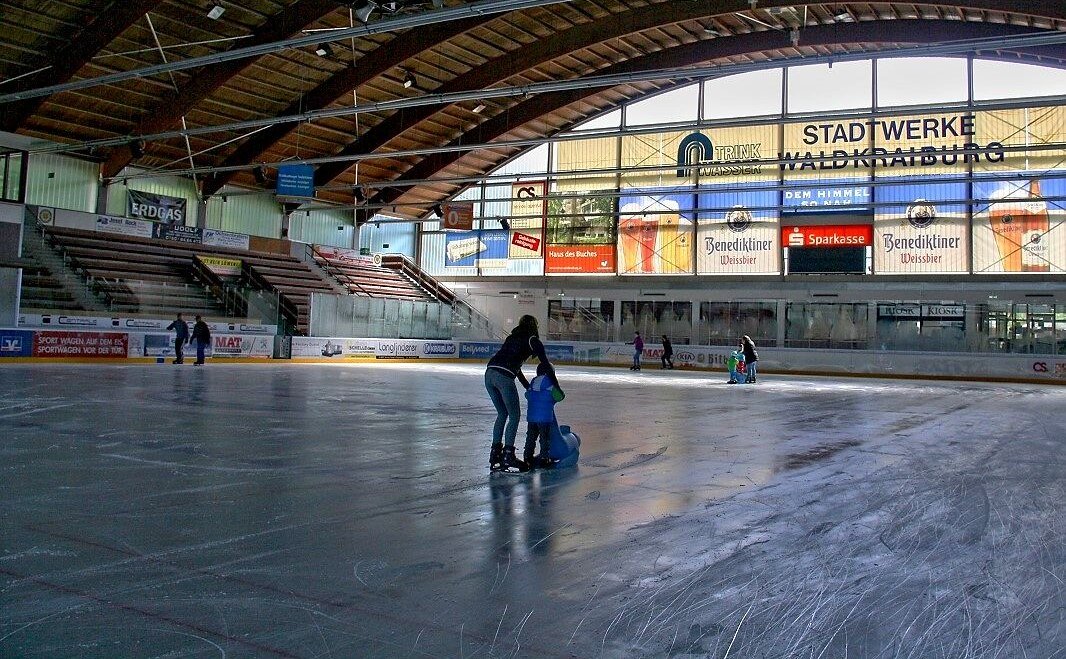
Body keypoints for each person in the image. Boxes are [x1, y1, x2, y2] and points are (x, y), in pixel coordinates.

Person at [486, 315, 561, 473]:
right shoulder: (533, 340)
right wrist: (557, 386)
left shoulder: (512, 337)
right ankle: (508, 454)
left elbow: (517, 366)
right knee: (514, 416)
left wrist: (527, 385)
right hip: (503, 376)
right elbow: (546, 365)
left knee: (502, 414)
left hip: (489, 373)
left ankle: (495, 454)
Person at [523, 362, 563, 469]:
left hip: (531, 417)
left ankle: (527, 457)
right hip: (545, 418)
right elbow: (560, 396)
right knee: (544, 438)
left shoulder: (533, 381)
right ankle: (545, 458)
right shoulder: (551, 383)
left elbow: (527, 394)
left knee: (531, 438)